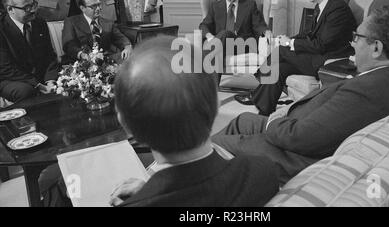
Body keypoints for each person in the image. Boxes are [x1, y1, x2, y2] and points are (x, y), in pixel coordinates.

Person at [39, 36, 279, 207]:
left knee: (52, 180)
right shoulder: (262, 172)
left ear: (126, 125)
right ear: (216, 106)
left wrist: (151, 193)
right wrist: (152, 189)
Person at [213, 5, 389, 185]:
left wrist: (274, 121)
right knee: (242, 119)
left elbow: (299, 138)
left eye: (357, 37)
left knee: (210, 150)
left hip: (294, 155)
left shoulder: (369, 90)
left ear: (376, 48)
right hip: (298, 128)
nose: (352, 43)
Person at [235, 0, 356, 115]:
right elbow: (309, 34)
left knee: (281, 51)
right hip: (319, 53)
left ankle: (257, 84)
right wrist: (290, 39)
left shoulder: (337, 9)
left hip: (329, 60)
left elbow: (321, 45)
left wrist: (290, 44)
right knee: (279, 69)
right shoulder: (322, 5)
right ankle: (264, 111)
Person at [0, 0, 59, 102]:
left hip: (39, 75)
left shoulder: (39, 23)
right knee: (26, 91)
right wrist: (37, 84)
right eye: (27, 7)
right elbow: (6, 69)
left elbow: (50, 55)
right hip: (10, 79)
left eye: (33, 5)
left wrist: (50, 81)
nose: (33, 10)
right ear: (10, 9)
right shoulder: (1, 29)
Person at [199, 0, 272, 49]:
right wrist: (210, 36)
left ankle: (208, 55)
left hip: (242, 45)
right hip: (222, 45)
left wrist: (266, 31)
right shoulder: (216, 7)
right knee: (221, 38)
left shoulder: (250, 5)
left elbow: (259, 25)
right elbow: (204, 25)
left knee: (224, 34)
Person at [61, 0, 132, 64]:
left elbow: (120, 38)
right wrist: (81, 54)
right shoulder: (71, 22)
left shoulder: (108, 23)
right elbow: (69, 45)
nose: (98, 8)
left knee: (130, 58)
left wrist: (127, 46)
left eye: (99, 5)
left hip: (105, 60)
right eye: (93, 6)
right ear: (82, 8)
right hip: (80, 62)